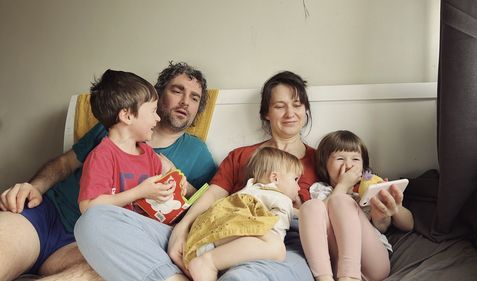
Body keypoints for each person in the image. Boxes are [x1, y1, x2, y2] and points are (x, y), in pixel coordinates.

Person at [75, 70, 318, 281]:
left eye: (297, 105)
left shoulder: (325, 159)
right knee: (92, 221)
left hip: (283, 242)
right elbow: (212, 197)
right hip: (222, 231)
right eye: (279, 106)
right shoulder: (240, 156)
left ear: (306, 109)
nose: (290, 113)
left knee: (242, 277)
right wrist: (182, 229)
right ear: (266, 113)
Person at [0, 62, 217, 281]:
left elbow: (211, 204)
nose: (185, 102)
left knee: (104, 271)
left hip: (95, 244)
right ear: (158, 95)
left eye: (194, 98)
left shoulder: (197, 153)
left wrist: (181, 183)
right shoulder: (110, 129)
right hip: (48, 216)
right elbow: (65, 164)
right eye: (177, 90)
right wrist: (33, 187)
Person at [299, 130, 414, 281]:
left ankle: (350, 277)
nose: (348, 165)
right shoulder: (319, 190)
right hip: (333, 264)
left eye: (355, 159)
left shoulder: (369, 190)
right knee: (310, 207)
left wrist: (394, 207)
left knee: (341, 201)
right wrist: (342, 185)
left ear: (363, 167)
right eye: (340, 158)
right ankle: (324, 278)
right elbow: (319, 218)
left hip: (372, 262)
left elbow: (407, 225)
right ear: (324, 165)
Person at [184, 147, 303, 281]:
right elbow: (277, 230)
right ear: (274, 178)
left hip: (202, 239)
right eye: (295, 179)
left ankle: (208, 262)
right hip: (228, 233)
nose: (298, 187)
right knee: (277, 248)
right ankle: (209, 262)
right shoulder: (282, 198)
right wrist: (300, 211)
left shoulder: (249, 190)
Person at [78, 69, 177, 214]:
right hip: (113, 228)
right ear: (127, 116)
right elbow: (88, 208)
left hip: (144, 227)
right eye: (153, 111)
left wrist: (171, 187)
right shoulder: (102, 156)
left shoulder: (148, 154)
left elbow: (158, 194)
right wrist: (139, 192)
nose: (158, 118)